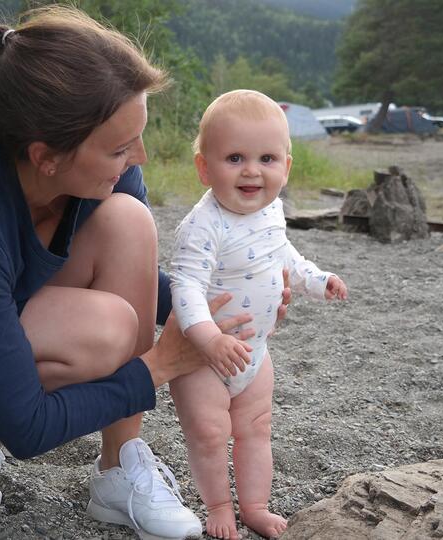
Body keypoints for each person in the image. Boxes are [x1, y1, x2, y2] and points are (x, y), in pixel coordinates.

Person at [0, 8, 291, 540]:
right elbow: (27, 429)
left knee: (129, 221)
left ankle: (119, 466)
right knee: (103, 330)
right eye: (119, 148)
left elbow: (136, 275)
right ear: (45, 156)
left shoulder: (93, 165)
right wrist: (158, 367)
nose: (139, 156)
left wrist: (224, 309)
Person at [169, 90, 348, 539]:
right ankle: (218, 504)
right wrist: (208, 338)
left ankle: (254, 505)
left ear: (286, 168)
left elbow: (284, 255)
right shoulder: (203, 225)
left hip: (255, 353)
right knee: (210, 433)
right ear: (204, 168)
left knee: (256, 429)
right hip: (203, 358)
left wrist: (315, 280)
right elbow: (185, 284)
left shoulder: (271, 211)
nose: (252, 170)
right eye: (234, 158)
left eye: (267, 158)